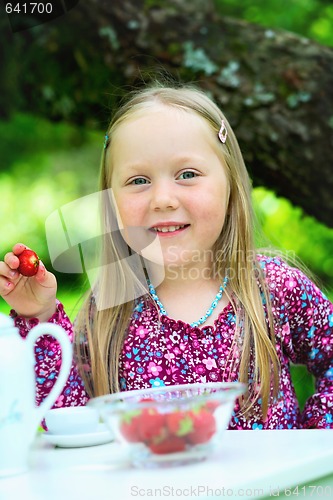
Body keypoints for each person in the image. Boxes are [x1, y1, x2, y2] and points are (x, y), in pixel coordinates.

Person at [1, 82, 332, 429]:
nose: (162, 198)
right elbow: (65, 419)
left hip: (271, 486)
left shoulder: (272, 287)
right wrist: (39, 315)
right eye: (139, 180)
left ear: (231, 183)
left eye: (187, 175)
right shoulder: (111, 309)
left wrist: (313, 441)